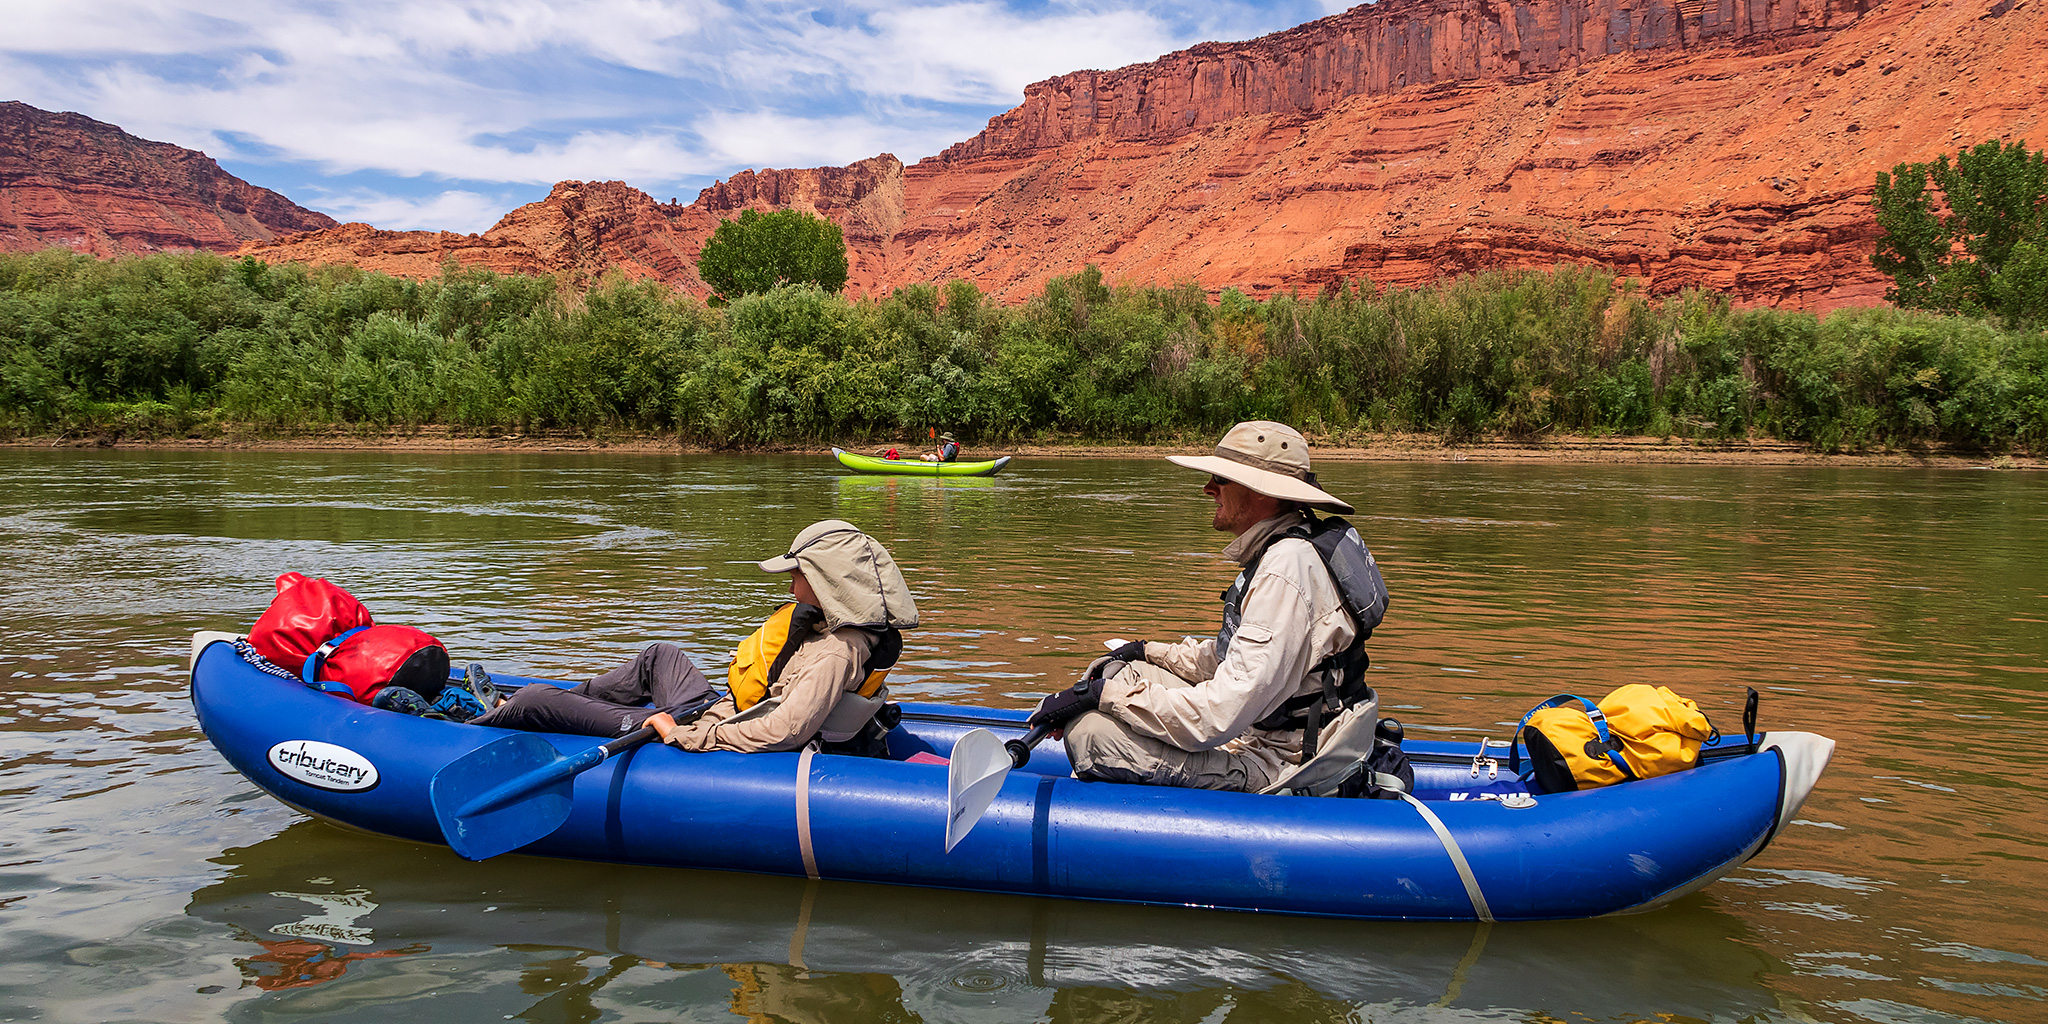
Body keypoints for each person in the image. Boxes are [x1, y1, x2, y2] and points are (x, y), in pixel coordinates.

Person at [1040, 420, 1383, 792]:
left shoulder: (1287, 570)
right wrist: (1146, 651)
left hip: (1283, 760)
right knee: (1120, 671)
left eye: (1220, 480)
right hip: (1263, 726)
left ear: (1261, 492)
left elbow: (1218, 714)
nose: (1208, 489)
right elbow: (1231, 660)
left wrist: (1102, 699)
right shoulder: (1283, 549)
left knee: (1091, 734)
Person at [470, 520, 919, 754]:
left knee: (534, 699)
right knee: (659, 656)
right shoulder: (834, 626)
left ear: (828, 584)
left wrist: (684, 736)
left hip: (701, 728)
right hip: (713, 707)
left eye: (797, 575)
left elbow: (785, 731)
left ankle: (479, 723)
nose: (790, 587)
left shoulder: (836, 652)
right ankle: (573, 707)